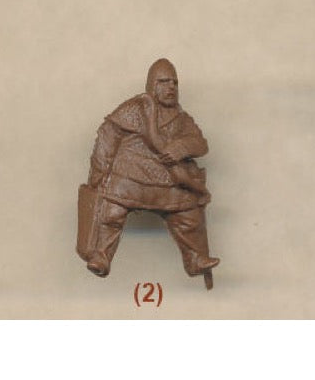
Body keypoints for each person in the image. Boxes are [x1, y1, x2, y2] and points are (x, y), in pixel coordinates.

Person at [78, 59, 220, 287]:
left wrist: (180, 147)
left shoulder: (182, 118)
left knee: (189, 216)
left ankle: (196, 259)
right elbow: (107, 136)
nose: (171, 87)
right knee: (110, 212)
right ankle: (100, 256)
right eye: (164, 82)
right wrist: (98, 173)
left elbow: (201, 144)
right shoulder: (134, 109)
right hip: (130, 175)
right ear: (152, 84)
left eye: (175, 82)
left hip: (169, 179)